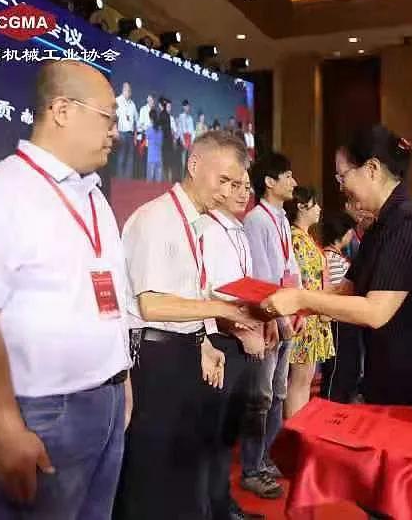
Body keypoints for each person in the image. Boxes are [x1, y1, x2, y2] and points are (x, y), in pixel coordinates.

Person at [0, 60, 132, 518]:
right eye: (108, 117)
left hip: (105, 401)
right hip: (39, 412)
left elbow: (107, 301)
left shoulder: (93, 196)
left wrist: (121, 379)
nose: (116, 132)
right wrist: (6, 428)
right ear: (62, 111)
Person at [261, 126, 412, 520]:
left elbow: (375, 311)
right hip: (393, 377)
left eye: (342, 176)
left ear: (371, 169)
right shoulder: (381, 225)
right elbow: (348, 290)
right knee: (391, 493)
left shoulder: (410, 222)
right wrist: (291, 305)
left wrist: (301, 299)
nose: (341, 187)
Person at [115, 130, 261, 520]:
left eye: (235, 183)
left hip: (180, 353)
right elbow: (151, 304)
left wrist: (202, 340)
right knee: (153, 472)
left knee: (182, 468)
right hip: (154, 358)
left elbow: (181, 295)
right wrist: (226, 310)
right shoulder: (157, 219)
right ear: (194, 165)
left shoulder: (194, 223)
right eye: (224, 180)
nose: (227, 191)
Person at [202, 167, 266, 519]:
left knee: (229, 432)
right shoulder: (208, 229)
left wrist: (265, 320)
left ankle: (223, 503)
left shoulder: (239, 230)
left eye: (246, 186)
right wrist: (242, 331)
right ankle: (213, 508)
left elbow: (246, 288)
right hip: (219, 342)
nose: (243, 193)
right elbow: (207, 294)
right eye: (235, 185)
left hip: (243, 338)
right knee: (213, 434)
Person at [240, 152, 301, 499]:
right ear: (269, 182)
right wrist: (278, 318)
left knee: (277, 393)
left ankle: (268, 457)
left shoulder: (280, 219)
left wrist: (298, 312)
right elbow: (263, 277)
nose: (294, 182)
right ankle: (252, 468)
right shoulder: (257, 221)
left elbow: (290, 270)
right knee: (260, 397)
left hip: (285, 315)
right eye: (287, 176)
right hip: (269, 319)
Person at [283, 186, 334, 417]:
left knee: (305, 379)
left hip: (314, 314)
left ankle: (299, 426)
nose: (319, 209)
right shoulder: (295, 238)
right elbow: (301, 280)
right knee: (299, 380)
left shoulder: (305, 237)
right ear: (301, 207)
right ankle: (294, 429)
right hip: (304, 316)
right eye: (315, 204)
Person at [319, 212, 363, 403]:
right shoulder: (330, 258)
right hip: (338, 321)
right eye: (350, 231)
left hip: (346, 319)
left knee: (348, 366)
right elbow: (337, 291)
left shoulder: (336, 256)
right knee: (337, 369)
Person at [115, 82, 137, 178]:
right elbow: (114, 118)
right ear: (123, 90)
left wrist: (135, 136)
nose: (129, 92)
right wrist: (115, 131)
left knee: (130, 158)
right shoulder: (117, 101)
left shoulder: (133, 104)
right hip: (121, 133)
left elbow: (136, 121)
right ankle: (120, 179)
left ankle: (128, 180)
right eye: (127, 90)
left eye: (130, 90)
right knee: (121, 156)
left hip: (130, 134)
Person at [146, 98, 164, 182]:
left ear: (150, 118)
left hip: (151, 158)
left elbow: (146, 144)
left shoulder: (148, 130)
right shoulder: (161, 130)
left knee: (149, 183)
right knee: (158, 184)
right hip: (159, 158)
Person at [177, 100, 196, 179]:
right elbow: (180, 130)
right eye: (185, 106)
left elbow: (192, 131)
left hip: (189, 140)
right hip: (184, 139)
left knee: (189, 161)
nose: (187, 108)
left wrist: (192, 141)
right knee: (183, 161)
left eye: (188, 106)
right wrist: (183, 141)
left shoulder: (190, 118)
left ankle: (188, 178)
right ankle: (182, 178)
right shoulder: (181, 116)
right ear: (183, 107)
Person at [137, 94, 155, 176]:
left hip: (153, 137)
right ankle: (142, 177)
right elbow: (140, 124)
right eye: (150, 100)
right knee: (143, 157)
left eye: (153, 100)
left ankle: (149, 177)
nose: (151, 101)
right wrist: (147, 128)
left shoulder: (155, 111)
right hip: (145, 136)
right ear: (147, 100)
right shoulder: (143, 109)